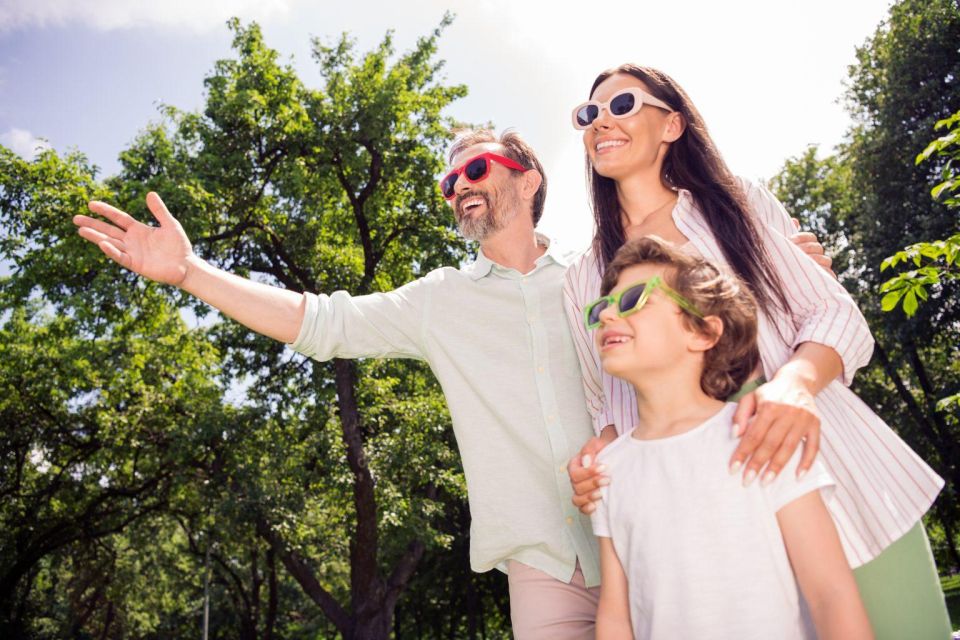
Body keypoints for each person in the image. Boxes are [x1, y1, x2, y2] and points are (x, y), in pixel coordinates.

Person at [75, 128, 830, 638]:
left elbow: (713, 306)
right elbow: (320, 321)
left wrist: (792, 270)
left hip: (660, 527)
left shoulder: (602, 273)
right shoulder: (437, 300)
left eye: (476, 168)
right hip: (544, 564)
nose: (459, 185)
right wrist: (189, 273)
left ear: (527, 177)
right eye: (449, 180)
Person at [564, 64, 951, 637]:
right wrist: (596, 462)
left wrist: (793, 385)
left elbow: (834, 311)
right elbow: (612, 407)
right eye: (588, 115)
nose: (601, 123)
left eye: (622, 105)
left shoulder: (737, 203)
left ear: (671, 124)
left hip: (831, 464)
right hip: (714, 524)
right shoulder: (583, 278)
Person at [589, 235, 872, 639]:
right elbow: (615, 617)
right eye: (602, 307)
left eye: (634, 299)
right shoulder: (609, 469)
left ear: (703, 333)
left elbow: (830, 594)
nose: (608, 316)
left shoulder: (763, 435)